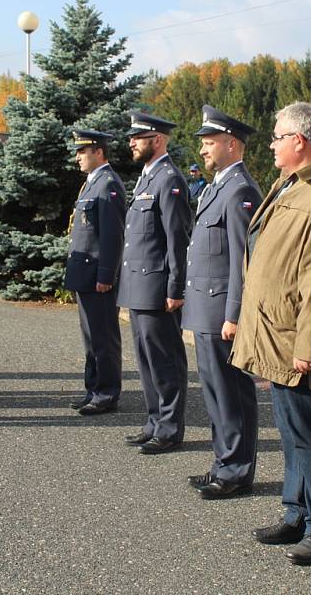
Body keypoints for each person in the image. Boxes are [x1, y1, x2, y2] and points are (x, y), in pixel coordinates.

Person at [230, 101, 311, 565]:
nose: (273, 144)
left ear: (300, 140)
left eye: (278, 136)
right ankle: (297, 512)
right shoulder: (293, 183)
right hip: (275, 331)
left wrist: (309, 345)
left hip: (298, 339)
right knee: (292, 430)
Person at [182, 105, 262, 499]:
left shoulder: (241, 190)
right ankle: (222, 462)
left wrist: (235, 314)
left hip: (221, 311)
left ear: (232, 144)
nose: (203, 151)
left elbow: (242, 261)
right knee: (213, 392)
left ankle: (235, 471)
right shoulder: (216, 187)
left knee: (231, 392)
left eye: (210, 143)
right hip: (204, 307)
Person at [118, 111, 191, 454]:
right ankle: (153, 421)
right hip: (138, 285)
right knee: (146, 359)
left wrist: (176, 287)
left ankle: (170, 427)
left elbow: (176, 239)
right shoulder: (147, 178)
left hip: (158, 287)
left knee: (165, 360)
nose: (131, 142)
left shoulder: (169, 179)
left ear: (157, 140)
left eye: (138, 137)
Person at [65, 129, 126, 415]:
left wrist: (106, 275)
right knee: (91, 337)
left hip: (97, 276)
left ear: (98, 152)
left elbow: (112, 236)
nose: (77, 157)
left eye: (82, 152)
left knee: (103, 338)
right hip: (85, 274)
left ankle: (106, 393)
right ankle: (93, 388)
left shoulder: (107, 184)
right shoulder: (92, 183)